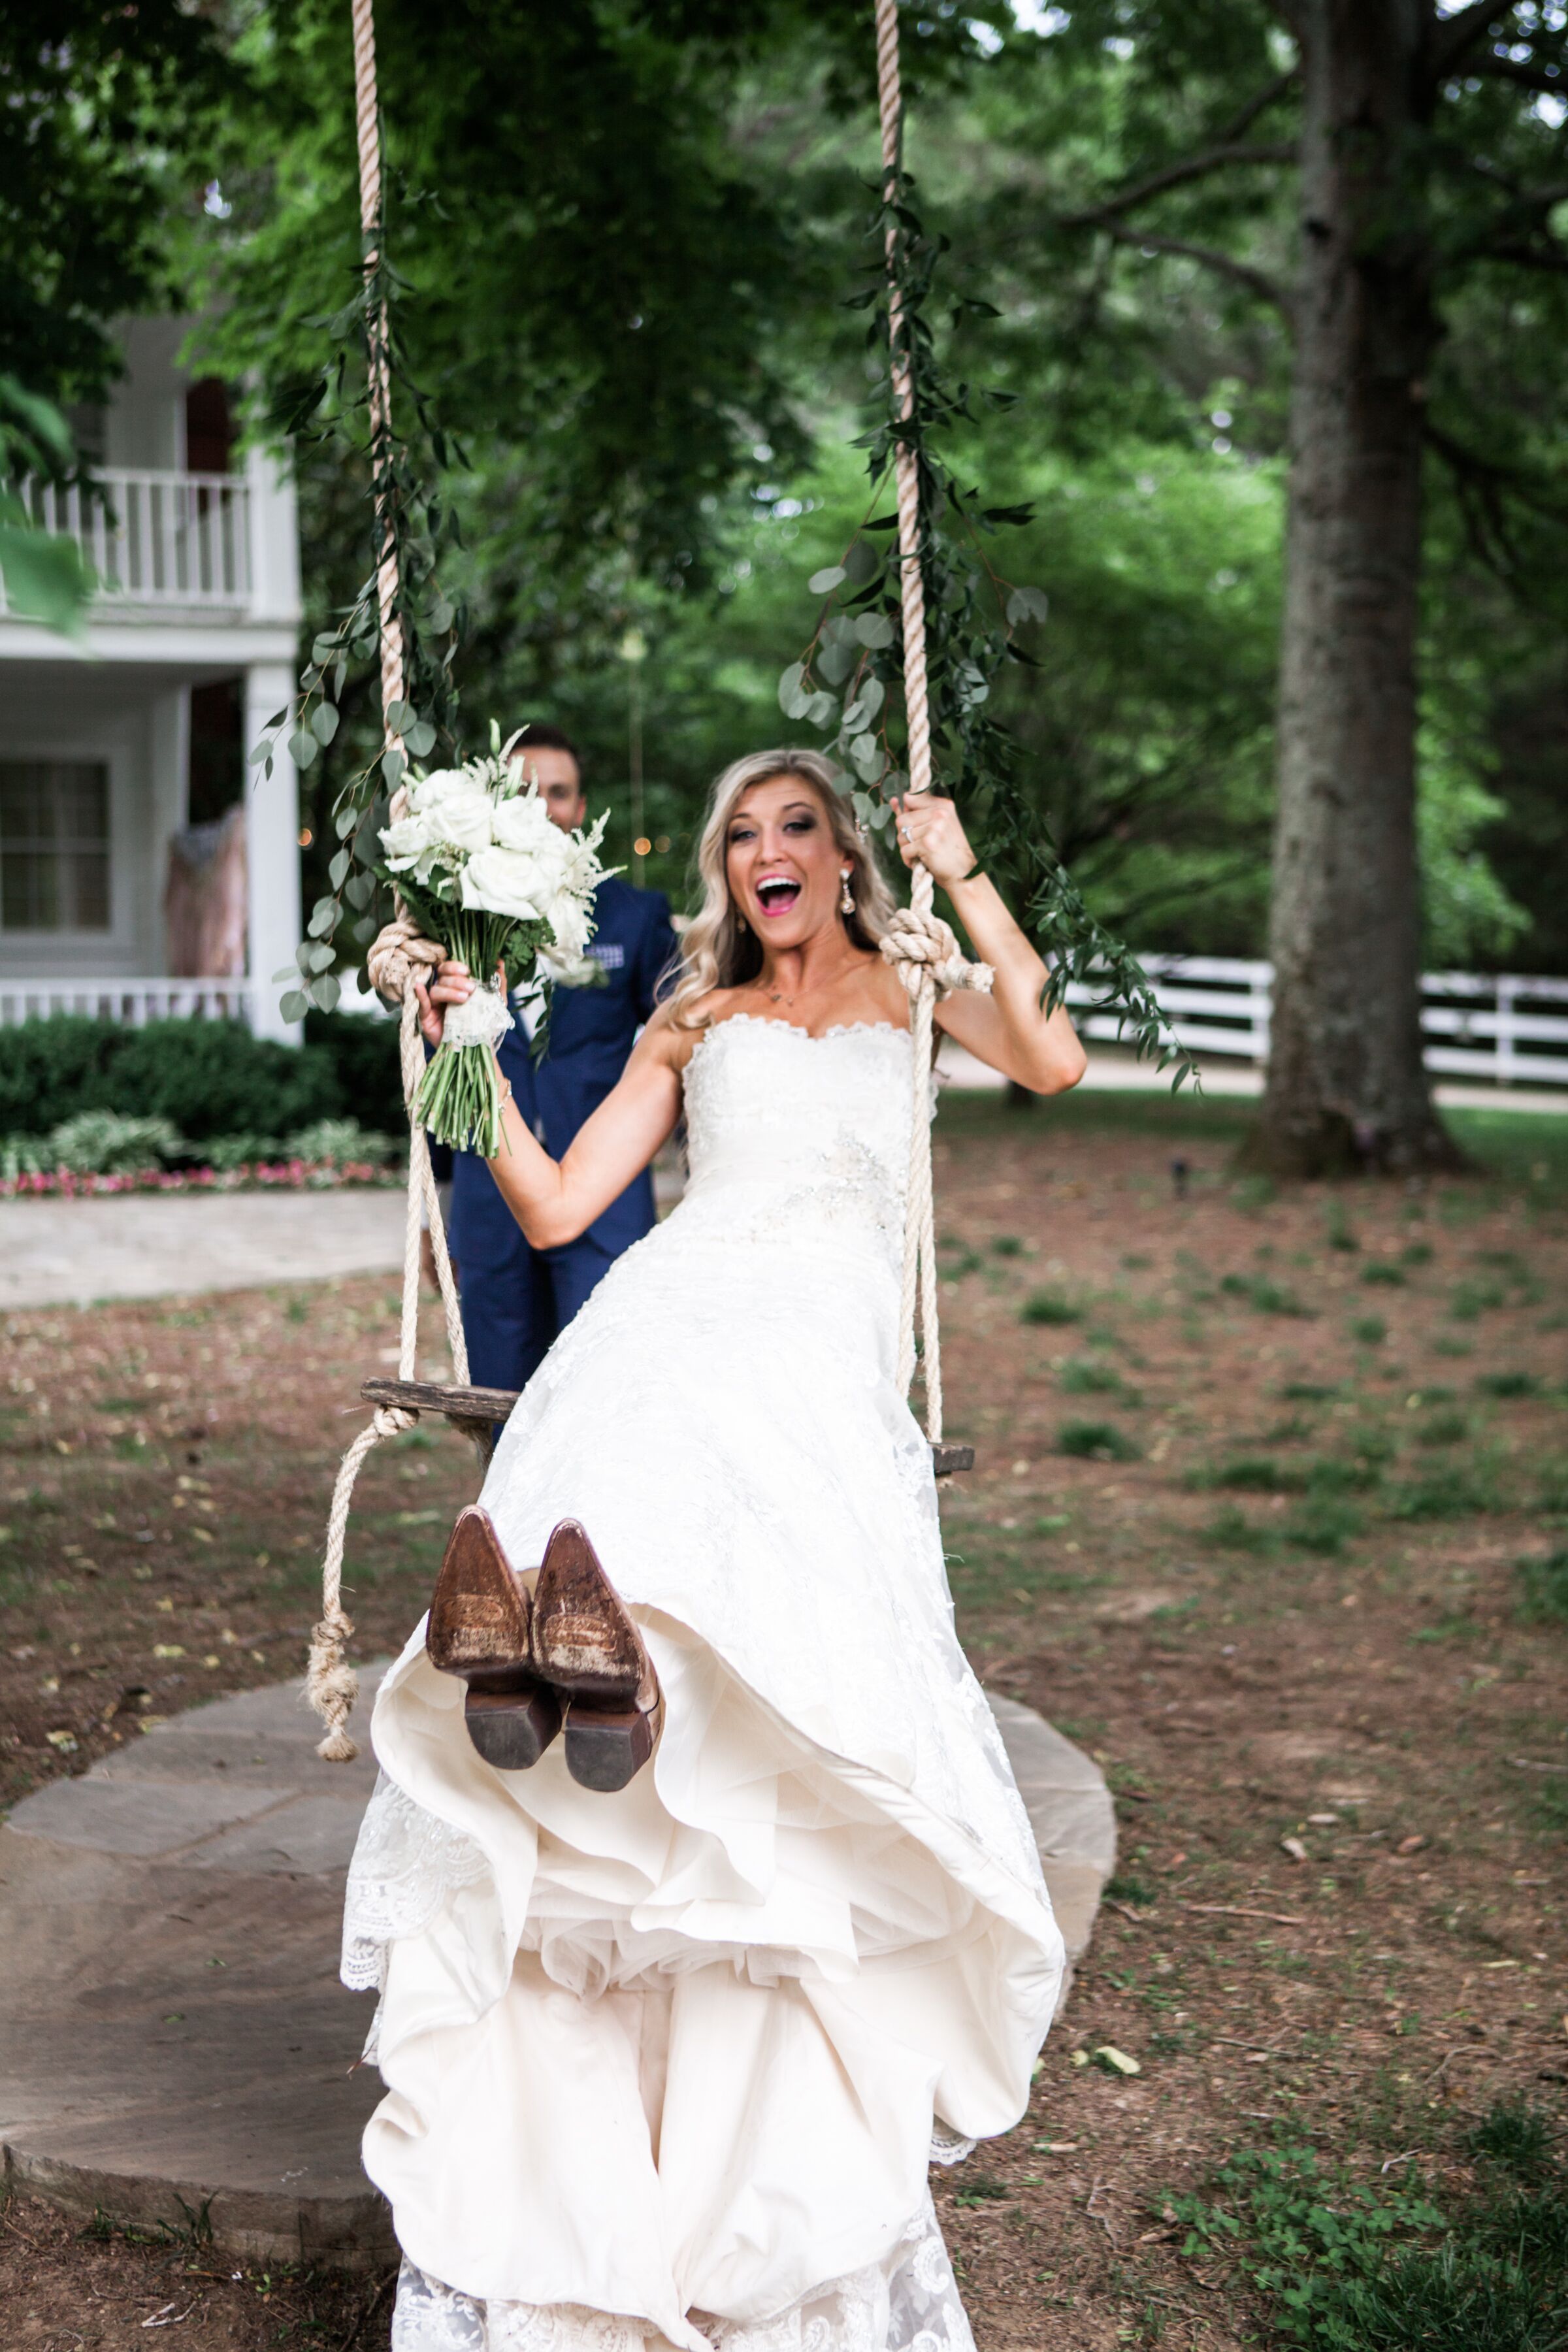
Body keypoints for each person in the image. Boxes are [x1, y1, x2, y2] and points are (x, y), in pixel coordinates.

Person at [342, 747, 1088, 2352]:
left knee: (717, 1439)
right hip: (679, 1294)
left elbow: (1050, 1056)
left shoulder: (910, 984)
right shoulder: (691, 1016)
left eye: (795, 827)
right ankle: (548, 1668)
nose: (767, 851)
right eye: (740, 833)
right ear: (721, 869)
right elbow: (555, 1208)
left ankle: (602, 1676)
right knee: (616, 1414)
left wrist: (959, 868)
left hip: (818, 1321)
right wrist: (460, 1047)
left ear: (839, 859)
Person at [446, 722, 679, 1391]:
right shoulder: (461, 915)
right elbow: (442, 1067)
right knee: (496, 1394)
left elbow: (690, 1037)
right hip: (489, 1200)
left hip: (604, 1198)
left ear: (580, 808)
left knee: (600, 1390)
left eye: (559, 792)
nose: (543, 805)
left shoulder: (635, 916)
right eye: (524, 790)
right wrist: (440, 1201)